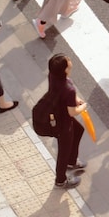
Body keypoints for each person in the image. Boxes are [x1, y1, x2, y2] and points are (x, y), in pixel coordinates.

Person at [43, 55, 89, 188]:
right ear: (65, 70)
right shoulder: (68, 89)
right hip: (63, 121)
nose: (70, 62)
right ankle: (60, 180)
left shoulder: (52, 75)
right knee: (64, 149)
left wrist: (75, 99)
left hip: (57, 112)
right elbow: (72, 112)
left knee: (79, 130)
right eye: (68, 62)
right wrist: (83, 106)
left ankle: (72, 161)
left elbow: (67, 96)